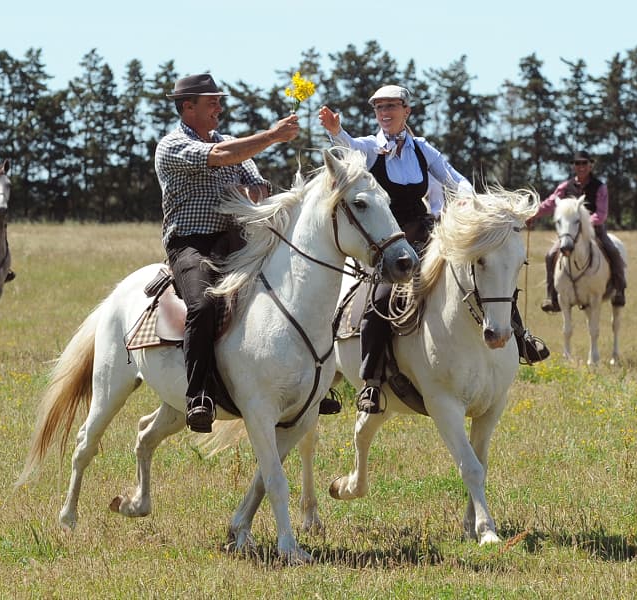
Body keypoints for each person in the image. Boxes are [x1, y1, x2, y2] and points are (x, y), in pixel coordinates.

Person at [319, 85, 549, 413]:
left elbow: (454, 178)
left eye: (392, 106)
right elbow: (349, 150)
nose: (385, 112)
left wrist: (470, 198)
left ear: (407, 111)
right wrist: (336, 131)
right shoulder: (370, 148)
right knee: (379, 297)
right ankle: (370, 382)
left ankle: (520, 336)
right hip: (386, 241)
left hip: (428, 233)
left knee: (485, 270)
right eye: (379, 107)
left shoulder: (422, 149)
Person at [155, 73, 305, 433]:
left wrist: (250, 189)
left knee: (295, 287)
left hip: (239, 242)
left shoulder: (232, 144)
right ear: (187, 107)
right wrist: (272, 136)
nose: (219, 108)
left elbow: (257, 189)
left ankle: (307, 384)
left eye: (219, 102)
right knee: (203, 305)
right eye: (212, 103)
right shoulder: (171, 145)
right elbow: (222, 157)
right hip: (193, 244)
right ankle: (199, 395)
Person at [531, 150, 626, 312]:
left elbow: (602, 214)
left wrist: (584, 223)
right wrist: (533, 214)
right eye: (577, 163)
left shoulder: (600, 187)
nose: (581, 166)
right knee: (550, 255)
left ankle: (619, 290)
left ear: (590, 165)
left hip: (595, 231)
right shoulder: (564, 187)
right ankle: (551, 297)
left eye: (584, 163)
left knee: (613, 250)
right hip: (569, 233)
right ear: (573, 166)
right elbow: (550, 203)